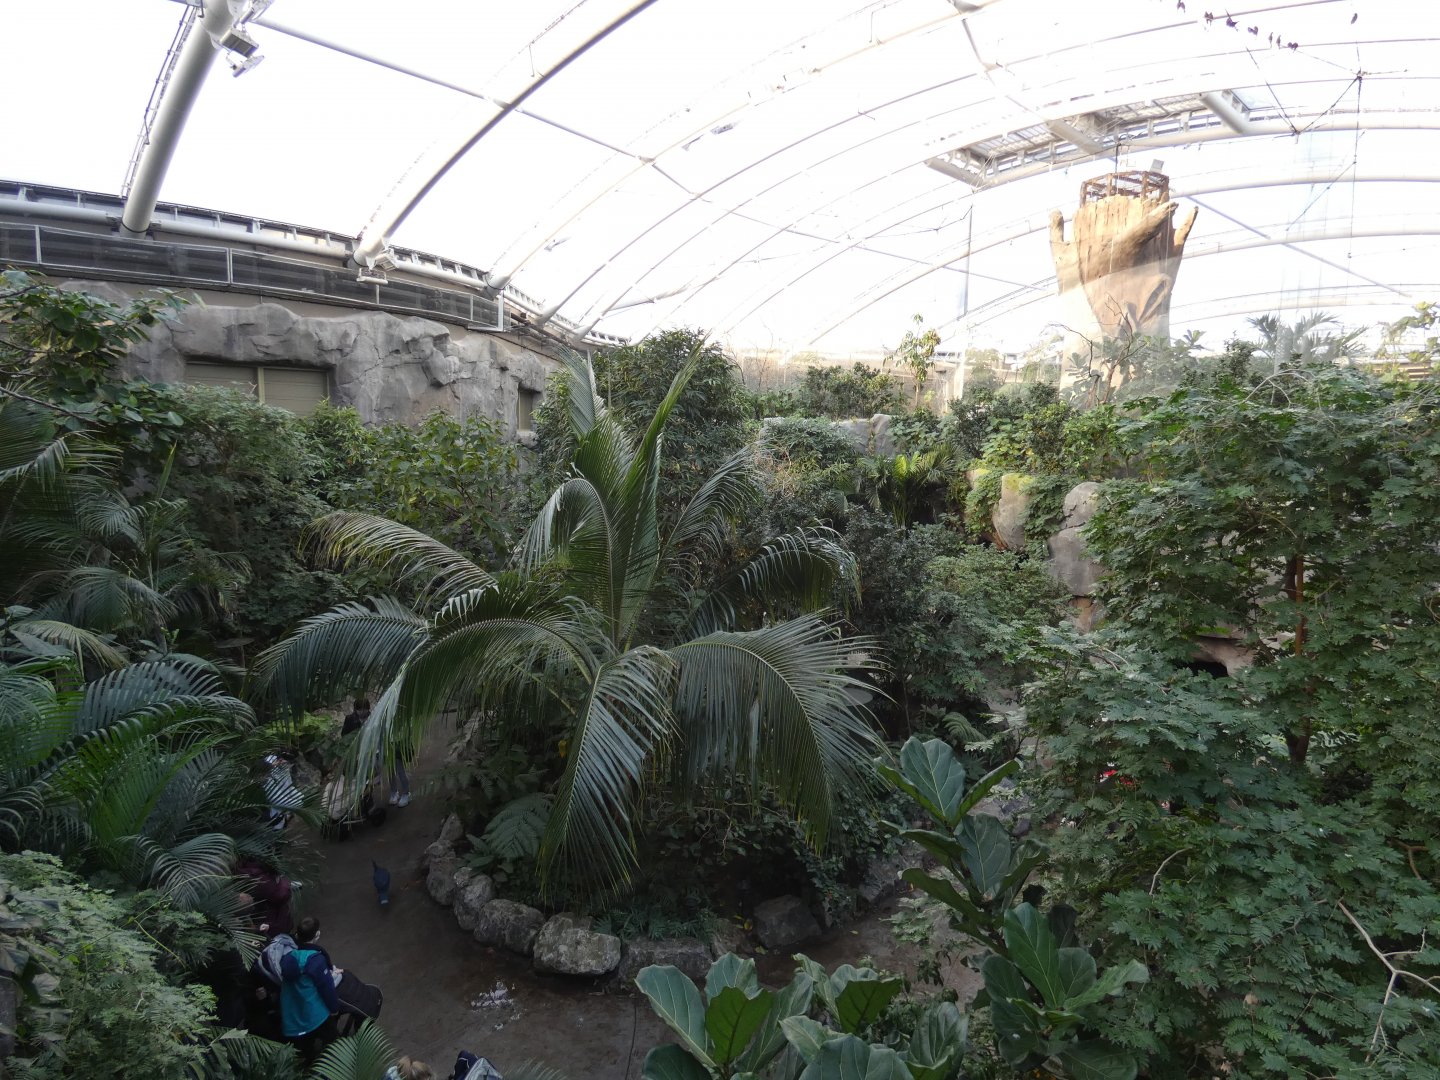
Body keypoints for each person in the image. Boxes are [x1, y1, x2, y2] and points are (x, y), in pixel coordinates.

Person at [279, 916, 341, 1061]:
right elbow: (327, 988)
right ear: (317, 935)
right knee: (333, 1040)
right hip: (314, 1018)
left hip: (292, 1022)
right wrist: (334, 1008)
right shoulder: (315, 960)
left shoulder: (288, 959)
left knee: (308, 1055)